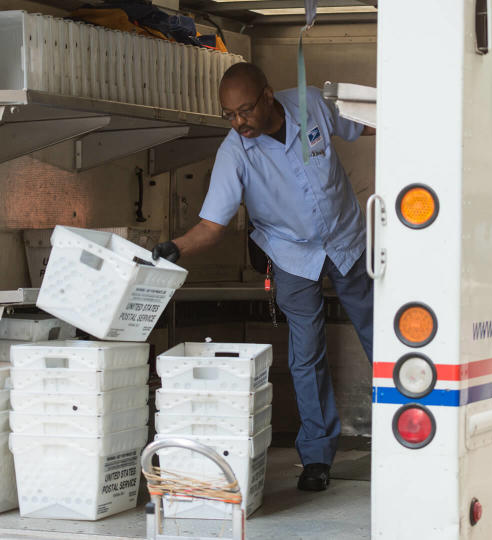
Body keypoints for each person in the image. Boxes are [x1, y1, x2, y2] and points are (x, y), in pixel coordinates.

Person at [151, 62, 375, 492]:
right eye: (229, 114)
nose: (239, 122)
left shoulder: (311, 105)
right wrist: (177, 247)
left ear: (269, 96)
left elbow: (366, 123)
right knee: (306, 354)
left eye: (245, 110)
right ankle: (316, 457)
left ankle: (413, 437)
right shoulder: (234, 153)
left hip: (348, 240)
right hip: (291, 255)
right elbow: (212, 225)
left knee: (382, 339)